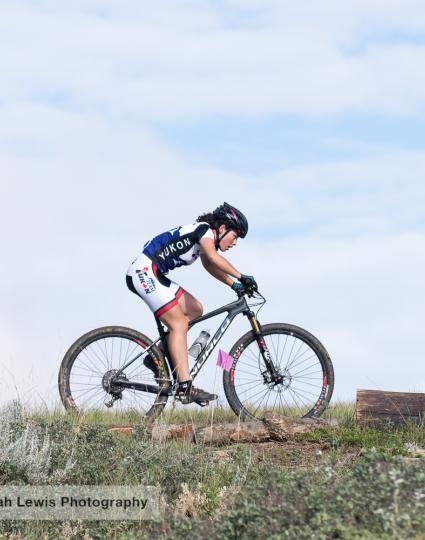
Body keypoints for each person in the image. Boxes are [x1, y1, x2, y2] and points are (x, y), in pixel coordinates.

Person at [126, 202, 257, 405]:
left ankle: (157, 355)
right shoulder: (205, 231)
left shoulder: (205, 238)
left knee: (195, 309)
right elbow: (213, 258)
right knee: (179, 324)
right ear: (222, 228)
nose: (235, 243)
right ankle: (185, 386)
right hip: (145, 272)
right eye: (235, 236)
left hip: (154, 273)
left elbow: (209, 263)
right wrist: (241, 276)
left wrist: (234, 284)